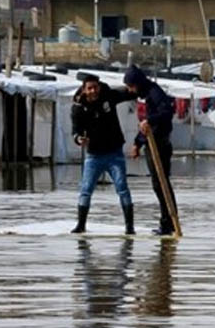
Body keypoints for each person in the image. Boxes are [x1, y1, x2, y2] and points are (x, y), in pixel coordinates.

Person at [70, 74, 138, 234]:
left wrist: (138, 89)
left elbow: (127, 93)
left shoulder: (108, 95)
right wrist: (79, 139)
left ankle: (129, 227)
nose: (93, 91)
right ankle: (81, 225)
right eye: (90, 88)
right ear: (84, 89)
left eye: (95, 87)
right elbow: (76, 130)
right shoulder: (78, 107)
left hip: (114, 153)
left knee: (122, 188)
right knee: (86, 190)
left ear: (99, 87)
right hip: (94, 155)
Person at [124, 65, 178, 236]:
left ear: (138, 83)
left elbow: (166, 113)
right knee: (158, 185)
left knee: (162, 184)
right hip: (151, 142)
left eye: (131, 86)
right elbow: (147, 127)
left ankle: (169, 222)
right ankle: (167, 222)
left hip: (160, 145)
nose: (130, 90)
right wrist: (138, 143)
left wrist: (150, 119)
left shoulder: (155, 93)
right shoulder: (147, 95)